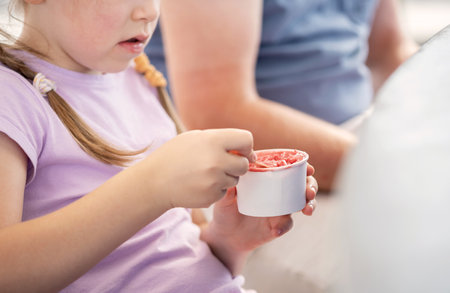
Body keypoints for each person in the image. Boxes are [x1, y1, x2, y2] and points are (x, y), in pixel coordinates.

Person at [0, 1, 318, 292]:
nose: (149, 12)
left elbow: (180, 255)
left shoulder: (138, 79)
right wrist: (152, 186)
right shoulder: (11, 96)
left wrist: (230, 240)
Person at [146, 0, 418, 191]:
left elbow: (389, 54)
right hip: (253, 187)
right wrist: (394, 167)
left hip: (358, 144)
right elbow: (217, 112)